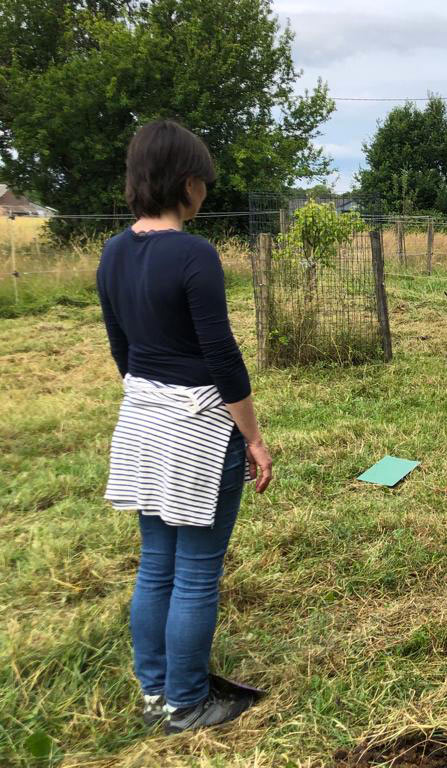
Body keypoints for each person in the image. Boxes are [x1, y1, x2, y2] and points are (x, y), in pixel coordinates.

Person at [96, 120, 273, 734]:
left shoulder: (113, 252)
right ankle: (189, 702)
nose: (205, 192)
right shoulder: (195, 254)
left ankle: (155, 692)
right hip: (199, 427)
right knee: (197, 571)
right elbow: (221, 356)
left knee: (155, 565)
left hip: (141, 419)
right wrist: (251, 436)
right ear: (187, 182)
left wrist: (150, 394)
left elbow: (122, 348)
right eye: (204, 181)